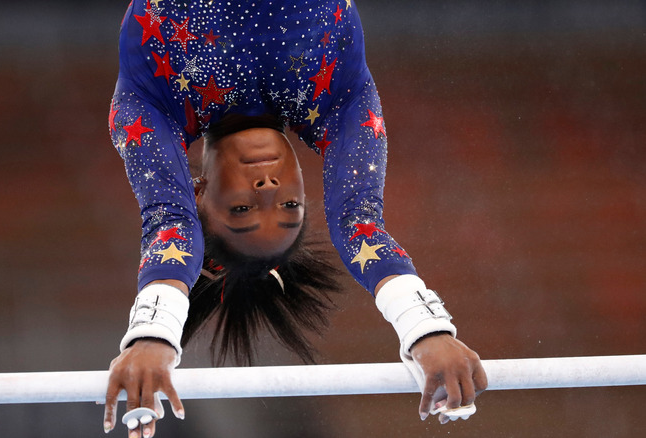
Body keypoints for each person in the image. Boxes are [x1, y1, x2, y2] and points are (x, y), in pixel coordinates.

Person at [103, 1, 487, 436]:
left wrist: (153, 335)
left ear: (197, 193)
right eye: (290, 207)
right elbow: (359, 223)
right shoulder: (338, 101)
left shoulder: (150, 103)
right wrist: (425, 330)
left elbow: (168, 223)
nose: (268, 190)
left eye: (243, 210)